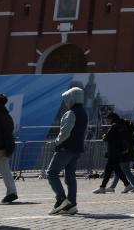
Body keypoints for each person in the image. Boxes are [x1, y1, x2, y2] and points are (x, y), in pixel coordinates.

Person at [47, 86, 88, 216]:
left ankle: (61, 199)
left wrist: (56, 142)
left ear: (73, 98)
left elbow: (65, 132)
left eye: (67, 99)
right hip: (77, 149)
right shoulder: (83, 113)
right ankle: (72, 204)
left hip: (66, 148)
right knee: (70, 176)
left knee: (51, 173)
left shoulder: (71, 113)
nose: (65, 102)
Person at [93, 112, 134, 194]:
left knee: (115, 170)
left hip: (113, 152)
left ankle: (127, 185)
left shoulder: (114, 126)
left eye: (108, 119)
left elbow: (106, 138)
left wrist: (104, 135)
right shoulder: (122, 125)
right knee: (110, 170)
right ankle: (103, 187)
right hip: (118, 151)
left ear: (111, 118)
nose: (108, 121)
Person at [107, 117, 134, 192]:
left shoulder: (126, 134)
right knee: (119, 171)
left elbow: (125, 145)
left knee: (125, 171)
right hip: (124, 155)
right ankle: (112, 187)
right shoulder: (129, 134)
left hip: (124, 155)